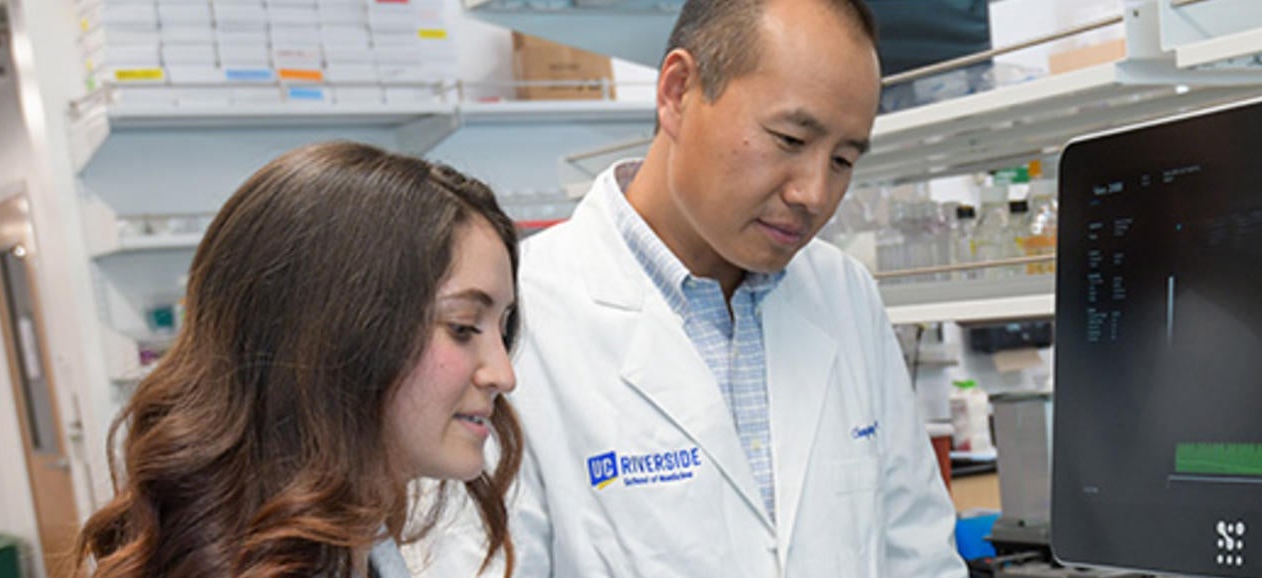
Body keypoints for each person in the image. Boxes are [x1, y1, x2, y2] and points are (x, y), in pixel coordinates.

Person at [408, 0, 965, 575]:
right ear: (677, 91)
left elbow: (918, 552)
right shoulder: (516, 316)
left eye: (844, 160)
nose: (815, 195)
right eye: (790, 140)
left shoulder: (844, 292)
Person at [68, 141, 525, 578]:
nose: (503, 375)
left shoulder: (352, 544)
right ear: (333, 338)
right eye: (463, 327)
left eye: (502, 328)